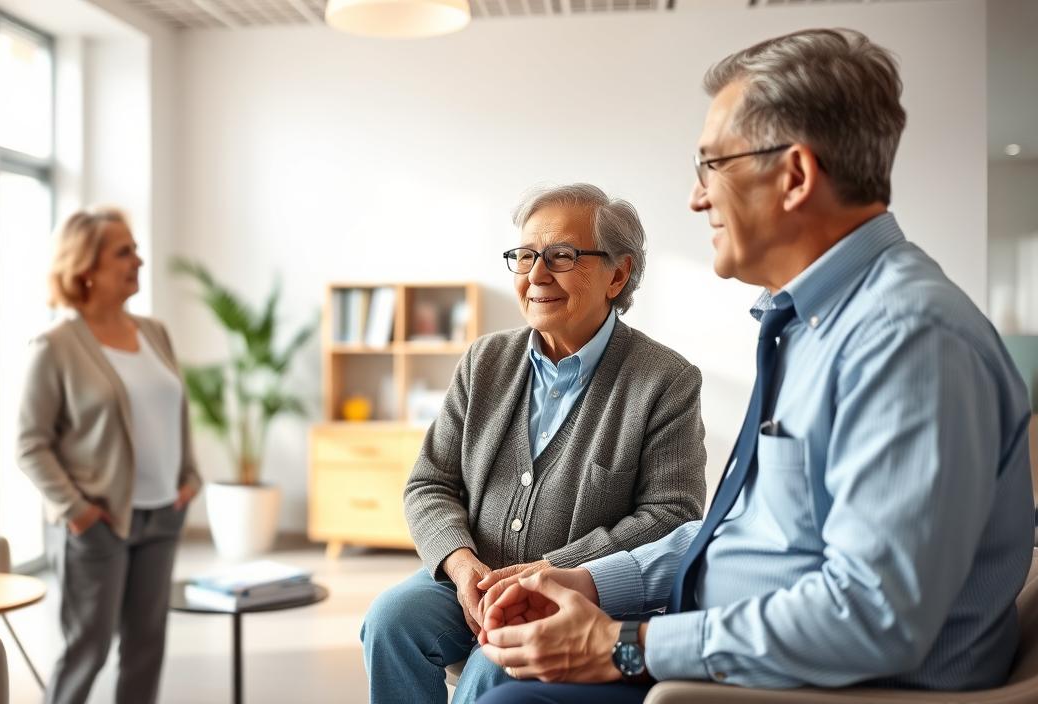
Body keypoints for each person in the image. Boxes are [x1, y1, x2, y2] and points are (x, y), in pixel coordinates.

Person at [470, 28, 1035, 704]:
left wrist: (623, 644)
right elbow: (739, 533)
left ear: (794, 175)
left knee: (510, 694)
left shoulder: (908, 339)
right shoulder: (809, 323)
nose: (695, 197)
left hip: (836, 686)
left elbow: (874, 616)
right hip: (749, 644)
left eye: (712, 165)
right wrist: (593, 583)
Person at [362, 184, 708, 703]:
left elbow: (671, 514)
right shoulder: (485, 362)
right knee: (390, 622)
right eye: (525, 256)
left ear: (618, 274)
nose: (537, 274)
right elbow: (430, 482)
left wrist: (557, 573)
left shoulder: (666, 380)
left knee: (494, 667)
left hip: (574, 593)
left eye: (562, 256)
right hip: (470, 582)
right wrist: (461, 565)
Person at [17, 206, 201, 704]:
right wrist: (77, 512)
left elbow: (173, 411)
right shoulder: (55, 346)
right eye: (124, 251)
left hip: (164, 514)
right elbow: (30, 442)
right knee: (87, 650)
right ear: (85, 268)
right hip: (98, 525)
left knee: (146, 649)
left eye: (135, 249)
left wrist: (189, 478)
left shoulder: (154, 332)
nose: (138, 260)